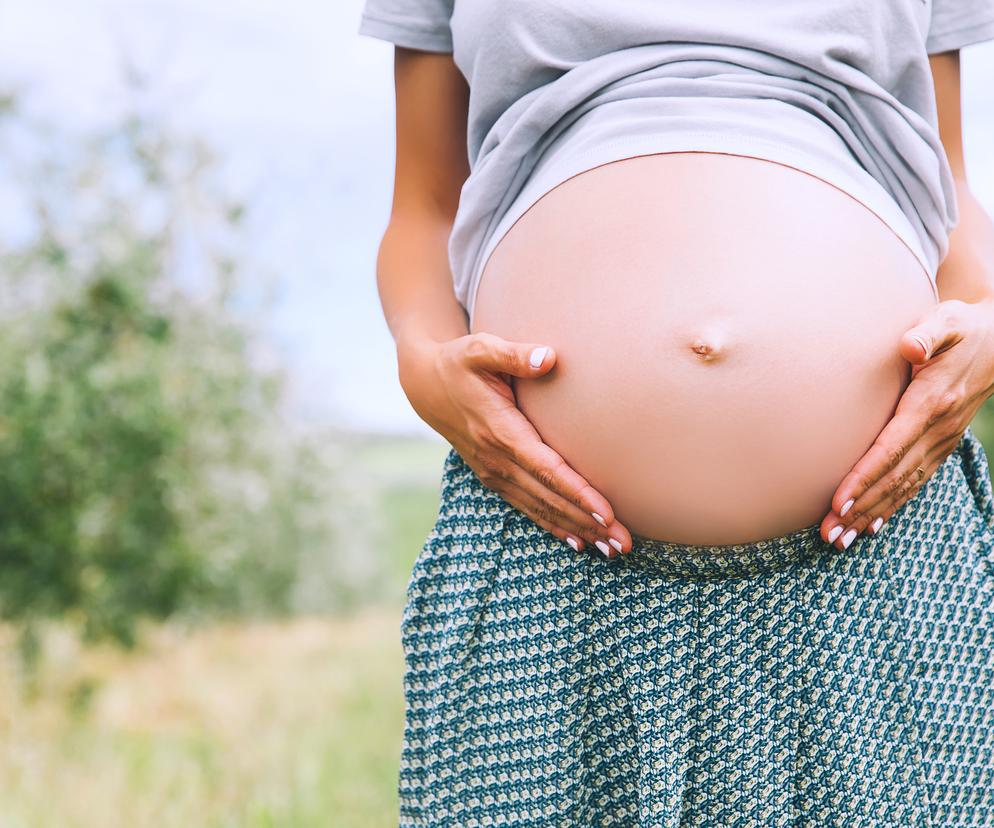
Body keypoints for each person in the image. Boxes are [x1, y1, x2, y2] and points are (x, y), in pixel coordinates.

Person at [358, 1, 994, 824]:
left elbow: (949, 189)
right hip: (545, 545)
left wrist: (988, 320)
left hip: (874, 547)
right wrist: (421, 360)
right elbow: (423, 208)